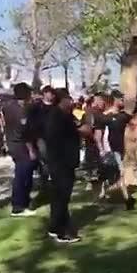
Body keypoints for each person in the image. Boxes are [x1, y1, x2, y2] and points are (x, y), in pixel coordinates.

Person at [44, 88, 92, 243]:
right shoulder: (57, 116)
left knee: (59, 197)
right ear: (62, 100)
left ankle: (54, 227)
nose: (72, 102)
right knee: (61, 197)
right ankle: (62, 231)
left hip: (65, 161)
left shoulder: (66, 115)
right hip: (60, 162)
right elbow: (77, 131)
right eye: (68, 99)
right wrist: (81, 130)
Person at [2, 83, 38, 217]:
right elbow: (24, 133)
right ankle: (18, 206)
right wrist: (31, 150)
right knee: (22, 176)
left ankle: (24, 201)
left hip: (13, 143)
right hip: (21, 145)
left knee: (23, 174)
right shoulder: (21, 111)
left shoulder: (9, 107)